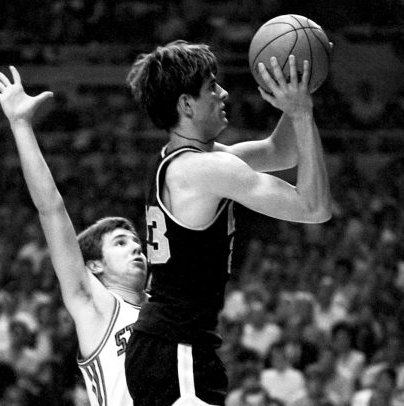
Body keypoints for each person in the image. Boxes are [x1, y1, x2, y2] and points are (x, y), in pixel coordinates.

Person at [125, 40, 331, 406]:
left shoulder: (190, 159)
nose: (223, 93)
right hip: (176, 349)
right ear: (185, 104)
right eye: (211, 87)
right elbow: (314, 207)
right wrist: (300, 114)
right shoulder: (204, 169)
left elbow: (280, 152)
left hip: (172, 345)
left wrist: (301, 88)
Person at [0, 66, 148, 406]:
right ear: (95, 267)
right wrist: (21, 125)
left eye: (135, 241)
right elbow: (51, 209)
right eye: (120, 243)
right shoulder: (96, 306)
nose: (136, 247)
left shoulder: (167, 305)